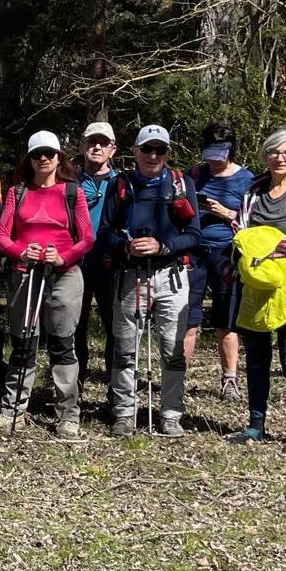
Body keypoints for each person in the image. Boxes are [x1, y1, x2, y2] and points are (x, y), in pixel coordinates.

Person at [227, 129, 286, 454]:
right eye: (273, 152)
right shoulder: (253, 190)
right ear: (265, 156)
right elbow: (239, 229)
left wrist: (265, 248)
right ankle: (255, 424)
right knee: (255, 357)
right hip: (256, 284)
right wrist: (250, 249)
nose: (279, 158)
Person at [100, 125, 199, 438]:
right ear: (135, 151)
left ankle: (171, 415)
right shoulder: (121, 184)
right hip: (130, 275)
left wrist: (164, 246)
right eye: (147, 149)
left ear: (168, 153)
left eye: (160, 150)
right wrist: (125, 246)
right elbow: (104, 234)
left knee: (172, 350)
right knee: (124, 349)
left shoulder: (182, 184)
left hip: (170, 276)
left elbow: (195, 235)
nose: (153, 156)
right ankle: (124, 414)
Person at [0, 131, 95, 439]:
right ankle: (13, 409)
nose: (43, 159)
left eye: (49, 153)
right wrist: (19, 252)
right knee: (23, 343)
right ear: (29, 158)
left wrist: (62, 256)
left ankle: (67, 415)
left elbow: (87, 238)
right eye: (37, 154)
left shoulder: (72, 193)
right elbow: (2, 236)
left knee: (62, 344)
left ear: (58, 157)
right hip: (25, 273)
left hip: (63, 274)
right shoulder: (17, 192)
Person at [182, 121, 253, 402]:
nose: (213, 158)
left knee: (226, 318)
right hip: (194, 250)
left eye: (219, 152)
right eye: (209, 151)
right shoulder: (194, 175)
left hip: (227, 253)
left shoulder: (247, 180)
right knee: (187, 317)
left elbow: (256, 223)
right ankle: (178, 378)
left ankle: (230, 380)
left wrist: (227, 214)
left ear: (231, 150)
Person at [73, 121, 119, 385]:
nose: (97, 147)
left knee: (115, 328)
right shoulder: (70, 182)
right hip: (75, 263)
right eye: (92, 142)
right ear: (82, 147)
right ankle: (74, 387)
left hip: (111, 263)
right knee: (74, 327)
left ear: (113, 149)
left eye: (103, 143)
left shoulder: (123, 183)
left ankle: (114, 390)